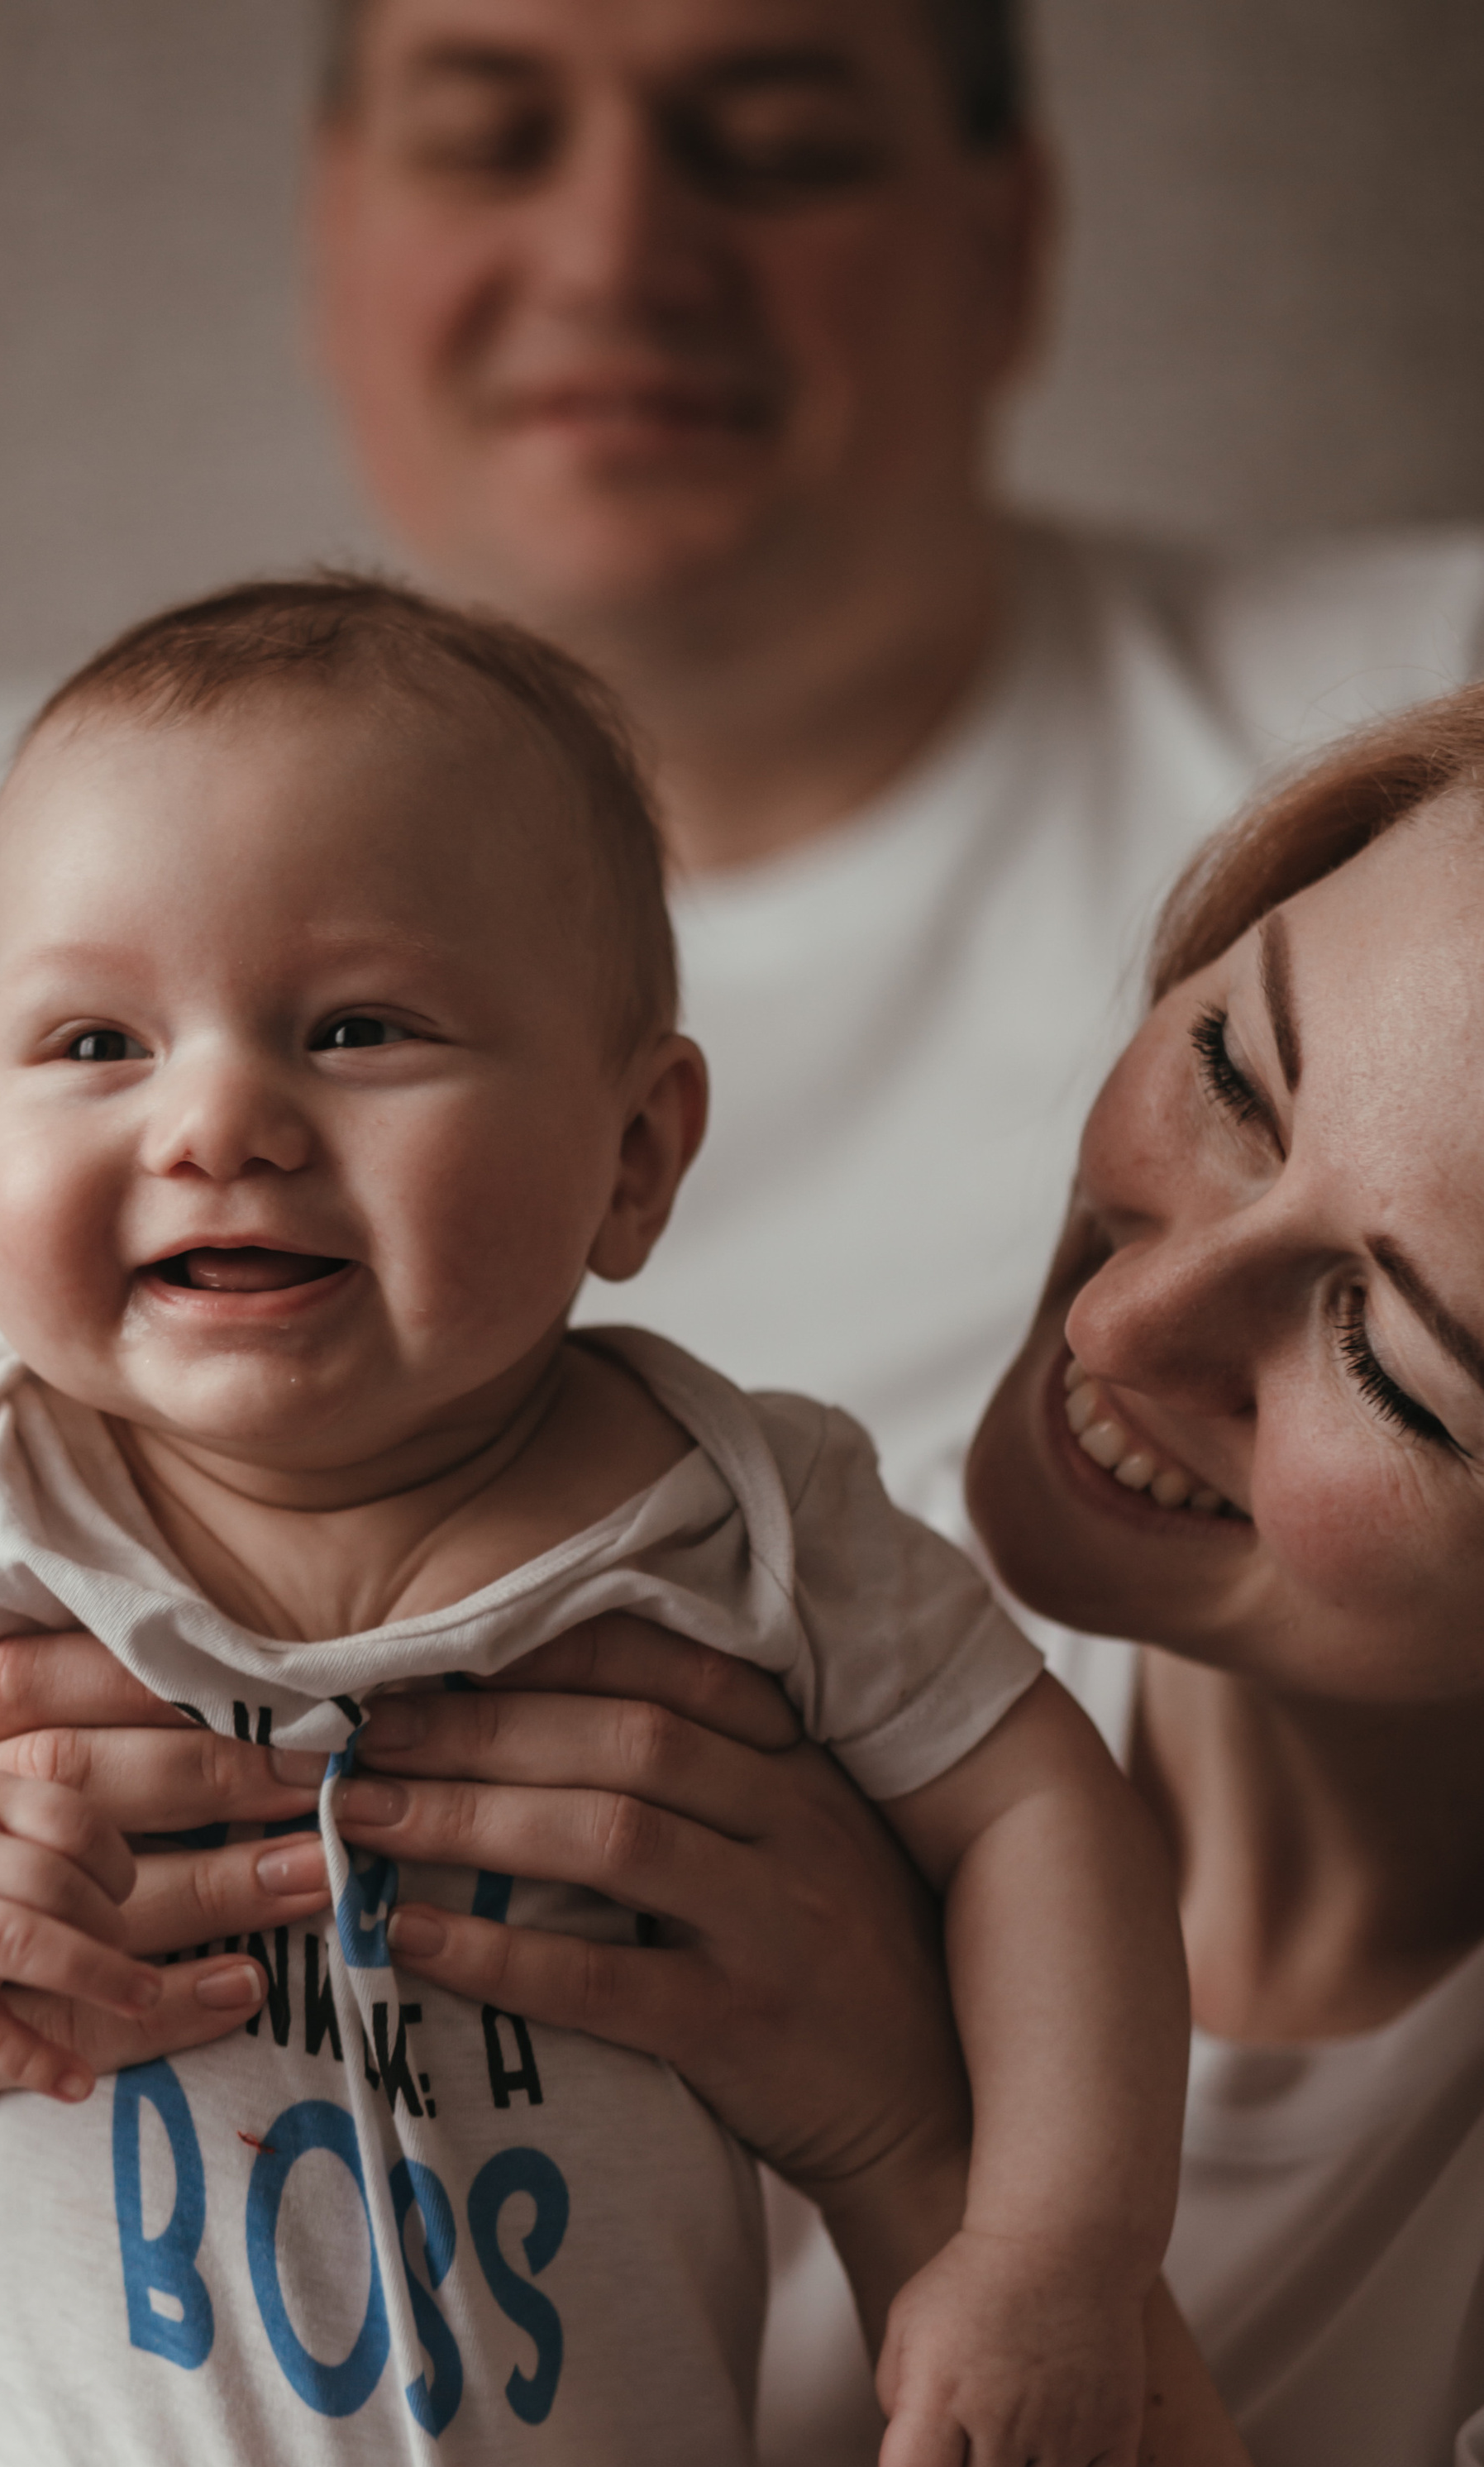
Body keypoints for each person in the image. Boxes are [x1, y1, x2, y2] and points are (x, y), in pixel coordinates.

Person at [0, 684, 1484, 2467]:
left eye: (1397, 1365)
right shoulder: (505, 1476)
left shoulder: (757, 1575)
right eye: (1230, 1076)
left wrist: (932, 2164)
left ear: (641, 1145)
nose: (1130, 1324)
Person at [310, 0, 1484, 1491]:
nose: (611, 257)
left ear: (1005, 244)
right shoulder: (125, 922)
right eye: (493, 143)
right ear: (336, 226)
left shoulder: (1445, 709)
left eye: (780, 153)